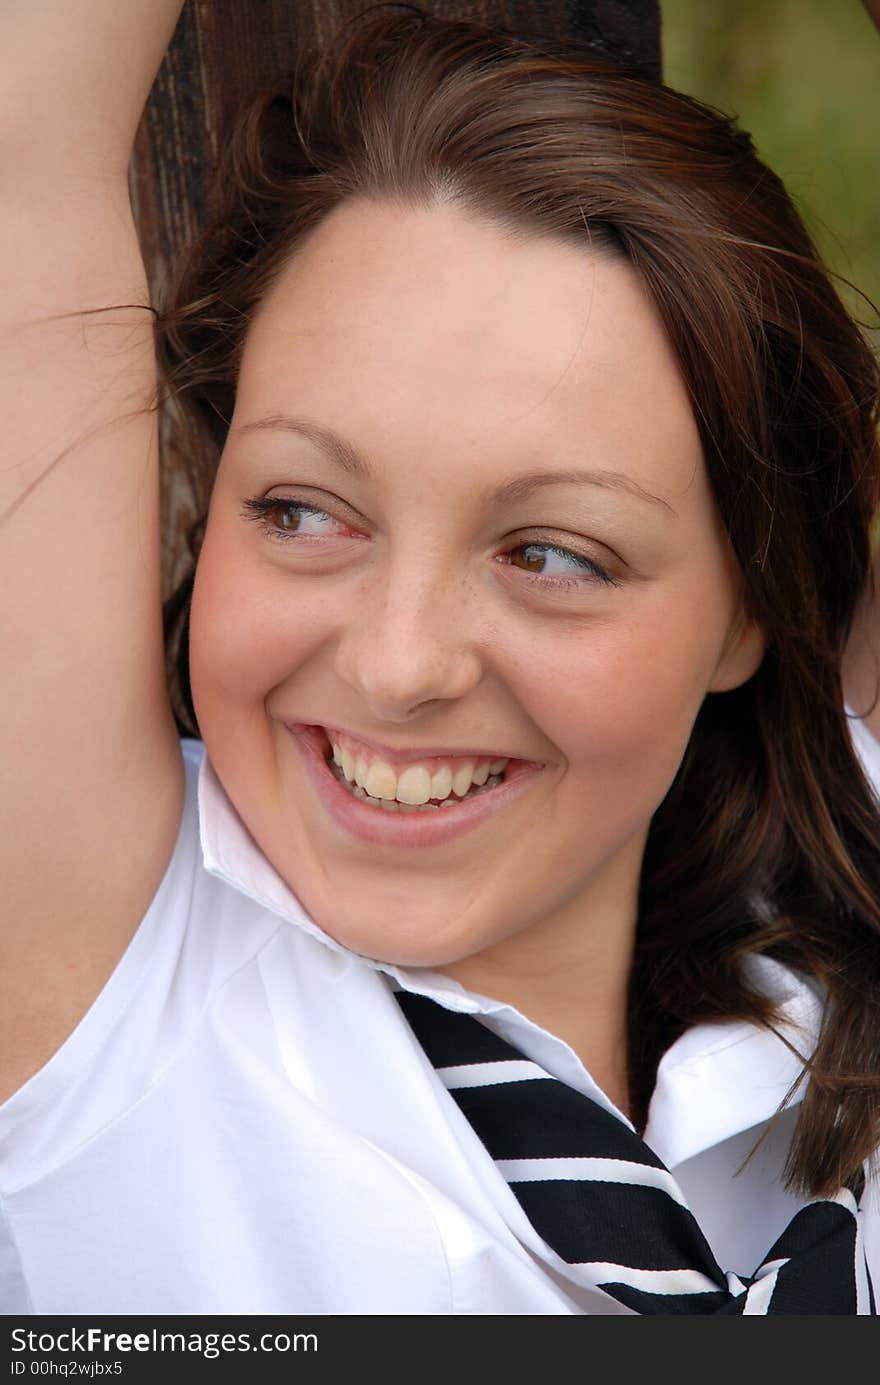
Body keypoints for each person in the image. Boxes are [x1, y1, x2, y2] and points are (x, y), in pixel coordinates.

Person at [2, 2, 879, 1316]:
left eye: (555, 555)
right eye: (302, 511)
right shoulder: (108, 974)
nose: (400, 662)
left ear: (751, 604)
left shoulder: (843, 948)